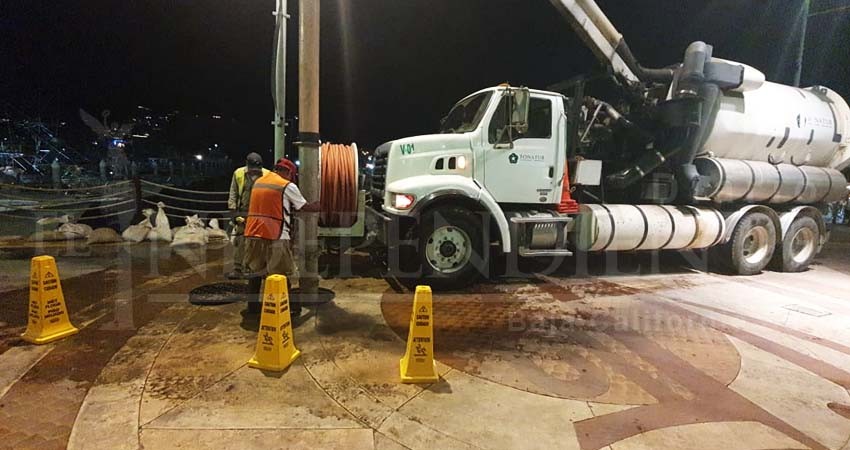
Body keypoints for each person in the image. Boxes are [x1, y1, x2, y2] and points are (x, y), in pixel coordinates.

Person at [243, 157, 320, 317]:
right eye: (292, 175)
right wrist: (320, 205)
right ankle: (287, 308)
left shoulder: (259, 181)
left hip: (252, 233)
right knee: (282, 274)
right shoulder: (286, 185)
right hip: (275, 234)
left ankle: (252, 308)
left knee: (255, 271)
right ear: (288, 172)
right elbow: (304, 207)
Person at [227, 153, 269, 279]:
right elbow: (233, 193)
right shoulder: (238, 174)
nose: (254, 173)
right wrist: (233, 213)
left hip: (261, 213)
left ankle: (260, 269)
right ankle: (238, 268)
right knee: (240, 241)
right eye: (252, 171)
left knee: (260, 242)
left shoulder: (267, 175)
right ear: (247, 166)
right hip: (243, 212)